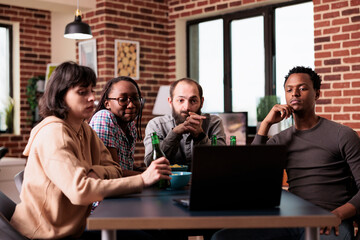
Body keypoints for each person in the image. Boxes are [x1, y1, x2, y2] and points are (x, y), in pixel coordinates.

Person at [10, 61, 171, 240]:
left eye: (92, 91)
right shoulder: (54, 133)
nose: (91, 98)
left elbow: (115, 168)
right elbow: (81, 192)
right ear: (61, 95)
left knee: (155, 231)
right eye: (82, 92)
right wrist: (142, 179)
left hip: (73, 229)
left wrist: (94, 171)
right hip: (45, 236)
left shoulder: (84, 129)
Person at [212, 66, 360, 240]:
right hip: (291, 219)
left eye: (302, 88)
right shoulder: (280, 140)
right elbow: (252, 175)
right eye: (289, 90)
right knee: (222, 238)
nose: (295, 93)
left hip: (330, 220)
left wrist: (337, 215)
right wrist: (266, 124)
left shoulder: (342, 135)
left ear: (317, 94)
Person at [144, 78, 226, 167]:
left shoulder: (214, 123)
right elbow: (150, 164)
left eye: (193, 101)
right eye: (180, 100)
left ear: (201, 102)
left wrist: (200, 136)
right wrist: (174, 134)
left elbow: (221, 162)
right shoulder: (156, 125)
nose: (187, 107)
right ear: (170, 102)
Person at [89, 76, 144, 176]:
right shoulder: (104, 117)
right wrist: (148, 175)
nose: (131, 105)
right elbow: (113, 171)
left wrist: (145, 170)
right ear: (107, 104)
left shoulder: (130, 125)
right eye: (123, 99)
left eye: (135, 98)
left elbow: (126, 165)